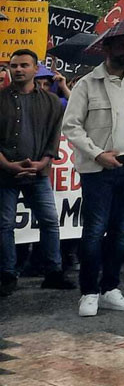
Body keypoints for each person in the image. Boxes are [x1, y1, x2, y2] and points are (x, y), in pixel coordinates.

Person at [62, 34, 124, 317]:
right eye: (121, 46)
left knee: (120, 230)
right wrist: (97, 153)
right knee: (94, 230)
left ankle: (110, 288)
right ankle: (89, 292)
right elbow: (71, 126)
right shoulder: (87, 84)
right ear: (106, 48)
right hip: (99, 167)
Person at [1, 49, 74, 295]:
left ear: (35, 69)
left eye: (24, 65)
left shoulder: (51, 101)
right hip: (4, 174)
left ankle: (53, 272)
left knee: (50, 222)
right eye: (14, 65)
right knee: (4, 224)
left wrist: (42, 163)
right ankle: (7, 275)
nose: (18, 69)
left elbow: (54, 136)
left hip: (38, 174)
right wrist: (7, 164)